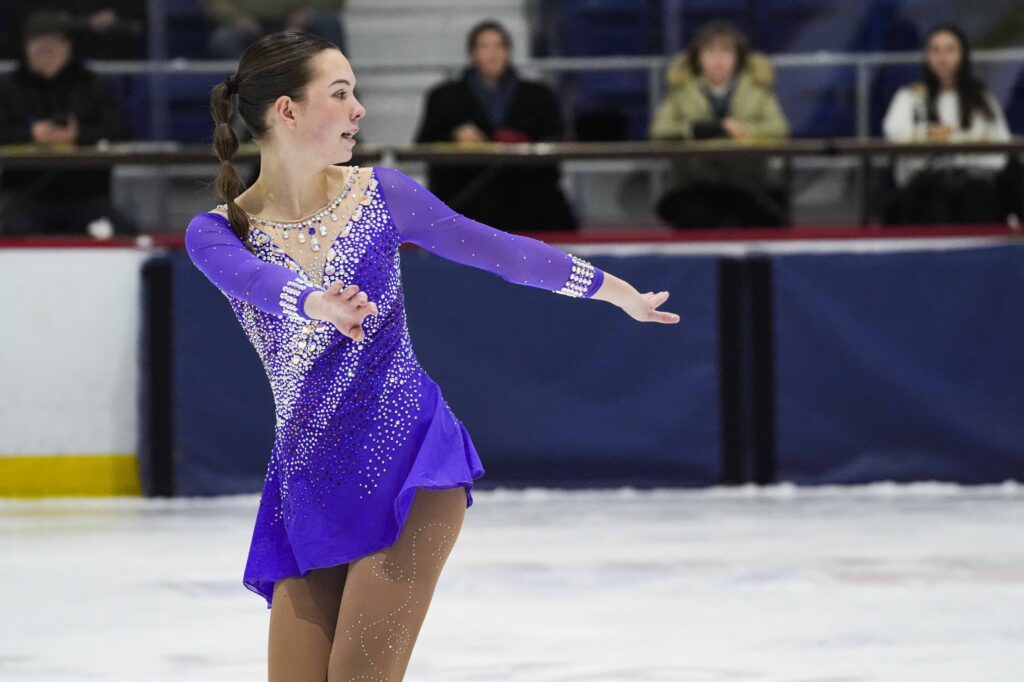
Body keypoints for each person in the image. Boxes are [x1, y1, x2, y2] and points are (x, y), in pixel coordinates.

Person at [185, 31, 678, 681]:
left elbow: (501, 250)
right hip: (307, 482)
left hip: (409, 465)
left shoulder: (382, 195)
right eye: (340, 93)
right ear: (287, 111)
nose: (359, 108)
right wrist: (317, 304)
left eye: (356, 92)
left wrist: (617, 293)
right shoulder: (218, 232)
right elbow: (258, 284)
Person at [415, 20, 578, 232]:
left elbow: (557, 140)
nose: (492, 54)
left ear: (508, 52)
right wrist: (453, 137)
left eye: (499, 46)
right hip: (466, 201)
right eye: (484, 47)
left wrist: (519, 142)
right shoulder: (443, 97)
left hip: (528, 204)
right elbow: (423, 144)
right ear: (471, 53)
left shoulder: (539, 95)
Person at [0, 12, 132, 237]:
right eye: (39, 46)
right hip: (24, 192)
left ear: (69, 47)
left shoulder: (94, 85)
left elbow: (120, 130)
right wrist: (31, 133)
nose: (47, 52)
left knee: (122, 230)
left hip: (85, 194)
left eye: (54, 45)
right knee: (12, 227)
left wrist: (78, 134)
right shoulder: (8, 87)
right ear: (25, 48)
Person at [649, 20, 790, 229]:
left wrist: (745, 130)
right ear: (697, 58)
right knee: (692, 214)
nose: (718, 59)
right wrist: (692, 131)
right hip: (694, 186)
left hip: (749, 185)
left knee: (768, 214)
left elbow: (780, 130)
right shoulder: (680, 91)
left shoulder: (758, 90)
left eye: (725, 51)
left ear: (738, 57)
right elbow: (658, 132)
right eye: (710, 52)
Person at [881, 24, 1013, 225]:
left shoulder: (982, 98)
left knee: (977, 195)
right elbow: (894, 132)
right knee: (933, 196)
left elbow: (1001, 147)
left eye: (950, 49)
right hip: (925, 181)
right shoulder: (909, 96)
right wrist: (930, 135)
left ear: (962, 54)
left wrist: (967, 154)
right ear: (926, 55)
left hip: (976, 182)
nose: (943, 58)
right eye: (935, 50)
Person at [200, 0, 345, 58]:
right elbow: (214, 2)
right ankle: (249, 91)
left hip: (300, 22)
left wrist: (307, 12)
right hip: (250, 26)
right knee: (223, 39)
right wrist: (236, 18)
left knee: (326, 21)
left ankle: (337, 88)